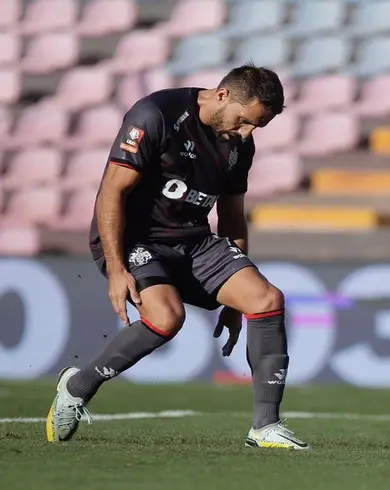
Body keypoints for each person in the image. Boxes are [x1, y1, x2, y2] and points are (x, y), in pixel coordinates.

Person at [45, 64, 309, 450]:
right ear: (222, 96)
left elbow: (232, 215)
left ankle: (265, 427)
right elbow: (111, 193)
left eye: (256, 127)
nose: (246, 133)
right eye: (244, 121)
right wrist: (117, 269)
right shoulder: (156, 115)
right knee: (167, 318)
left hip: (194, 240)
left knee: (267, 300)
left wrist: (238, 295)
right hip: (136, 238)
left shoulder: (239, 144)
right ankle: (78, 385)